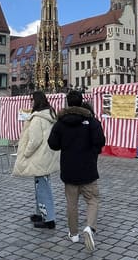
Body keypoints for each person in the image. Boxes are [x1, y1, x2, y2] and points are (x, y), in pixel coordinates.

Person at [47, 90, 105, 251]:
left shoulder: (60, 123)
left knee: (71, 203)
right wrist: (93, 152)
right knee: (92, 200)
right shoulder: (91, 121)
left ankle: (73, 234)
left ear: (68, 103)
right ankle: (89, 227)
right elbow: (100, 141)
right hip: (88, 168)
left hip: (69, 170)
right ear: (81, 102)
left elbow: (52, 144)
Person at [11, 91, 60, 230]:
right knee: (41, 186)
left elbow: (34, 140)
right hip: (46, 156)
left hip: (39, 156)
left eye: (32, 100)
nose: (31, 102)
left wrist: (26, 153)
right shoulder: (49, 115)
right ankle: (41, 214)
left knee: (43, 189)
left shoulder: (38, 118)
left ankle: (49, 219)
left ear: (36, 101)